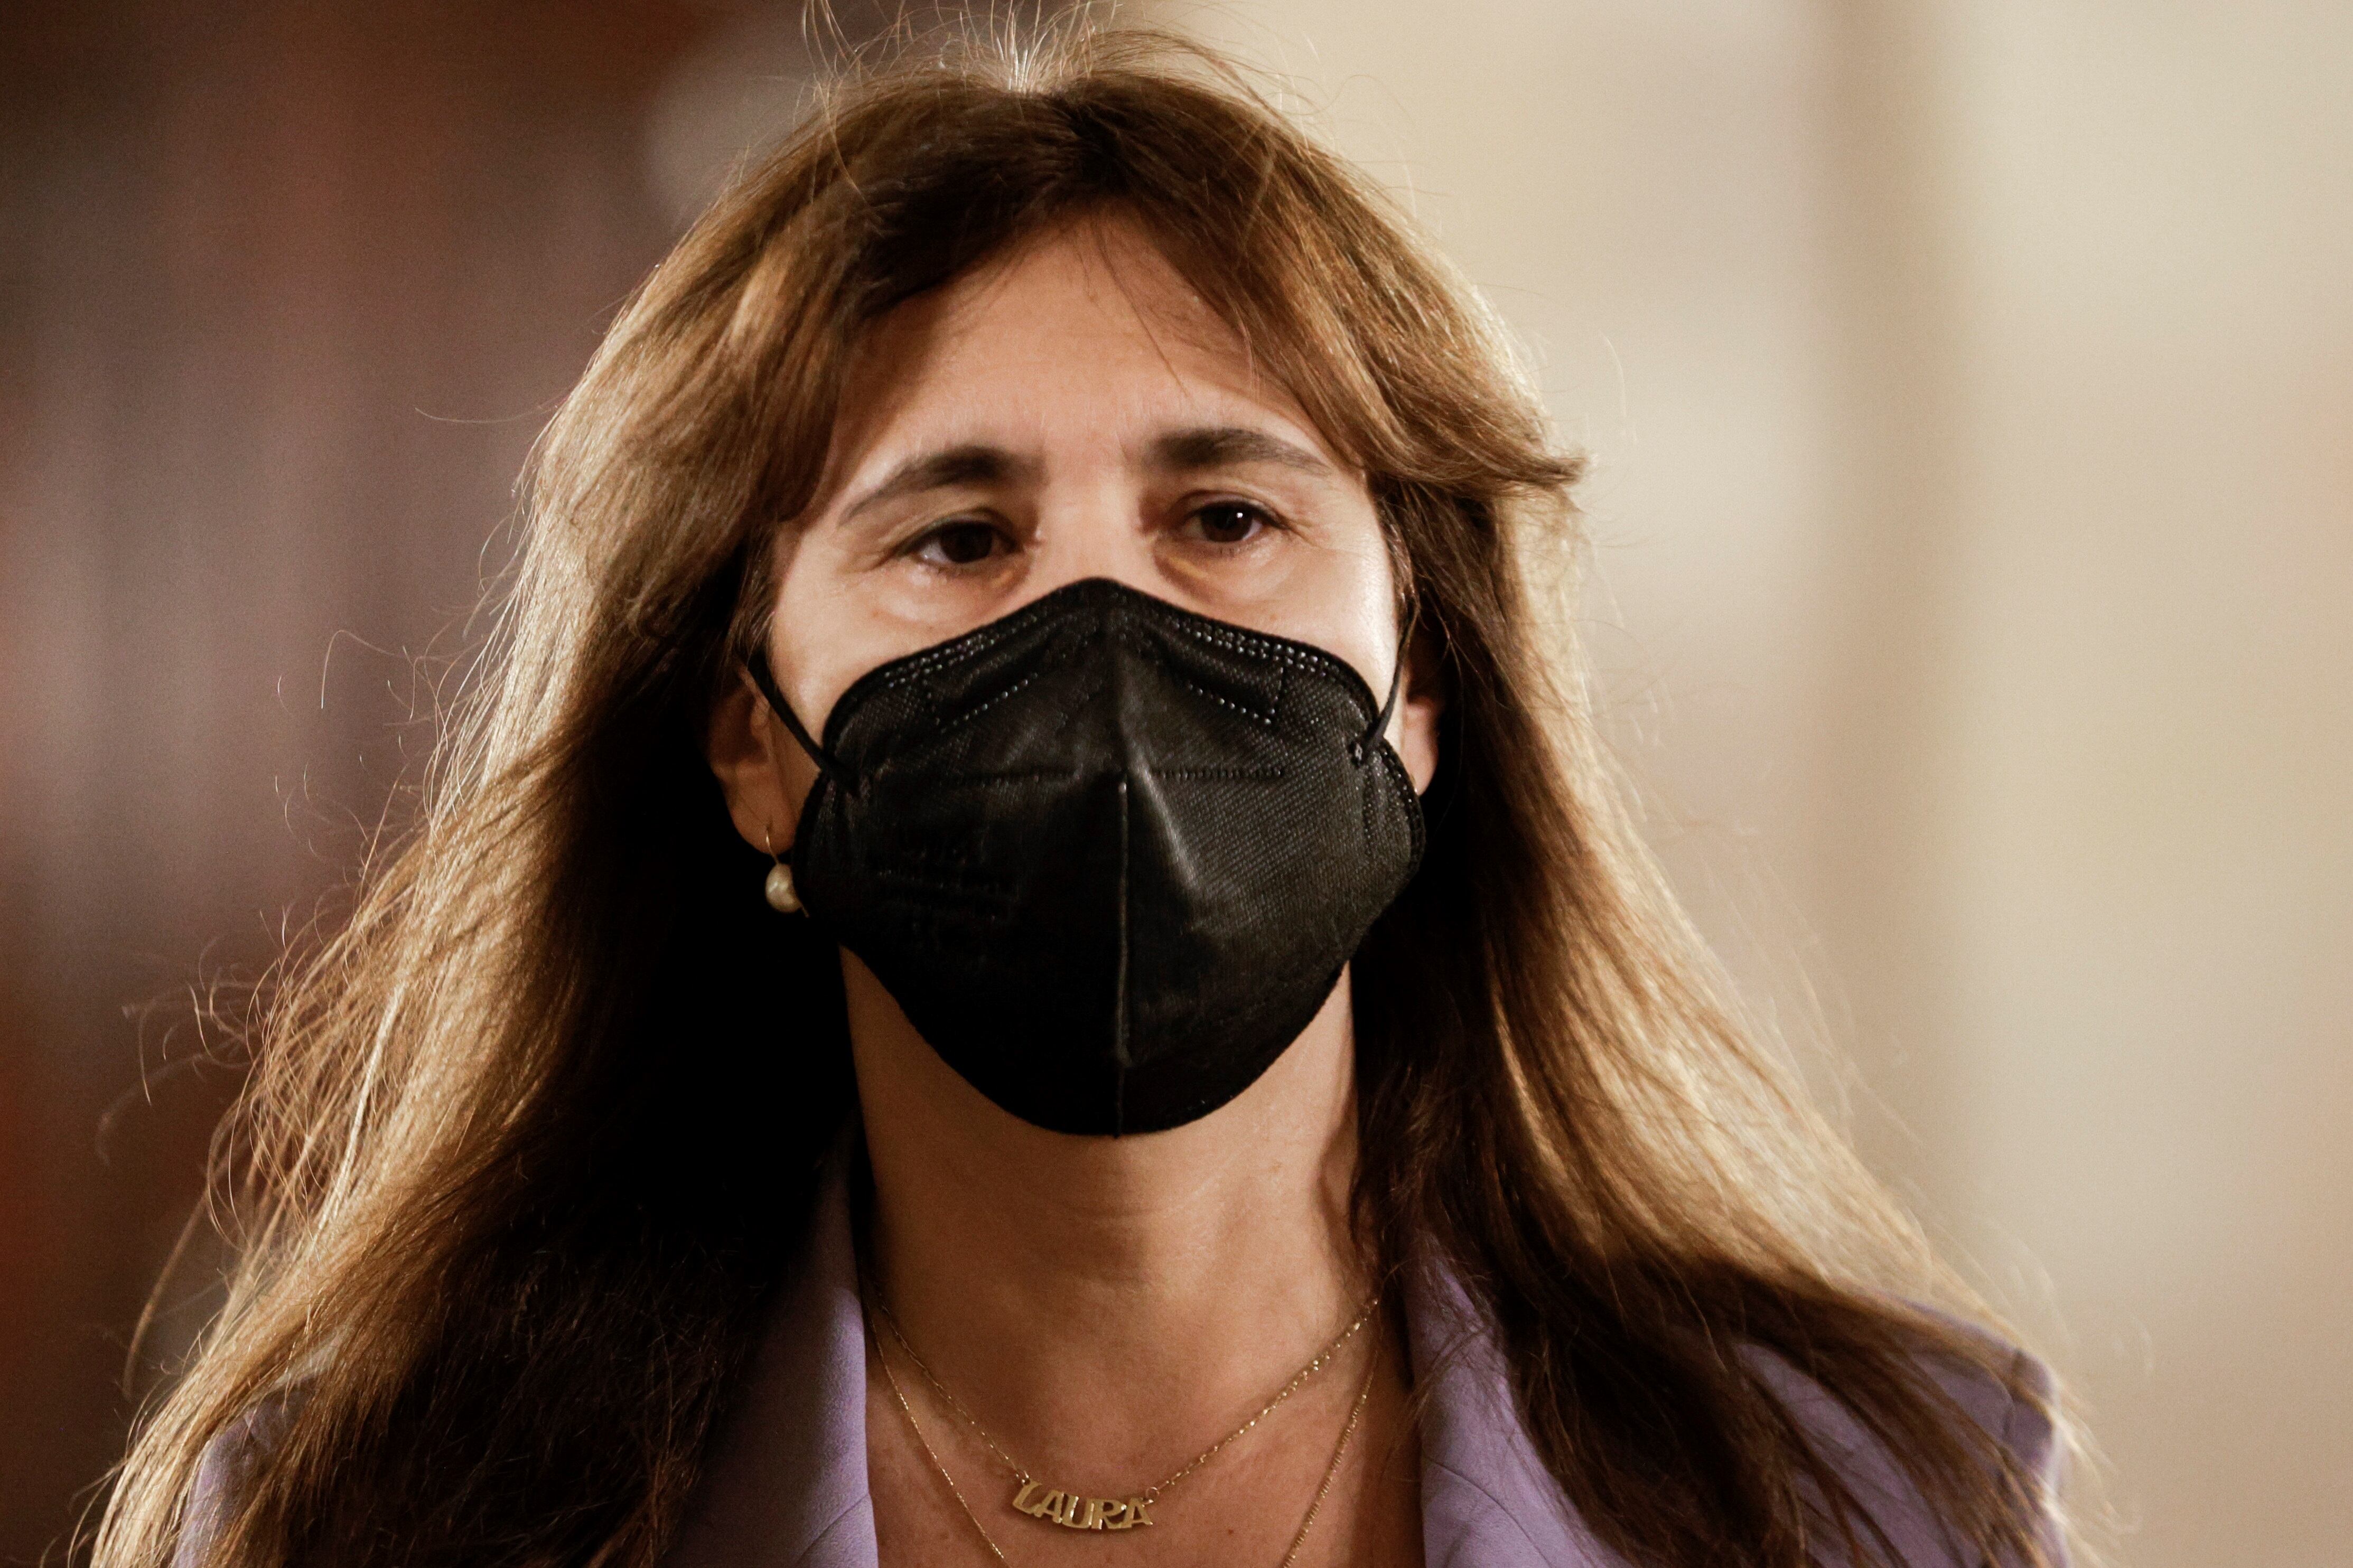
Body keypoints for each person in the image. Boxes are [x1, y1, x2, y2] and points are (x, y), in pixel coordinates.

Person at [97, 25, 2067, 1568]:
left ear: (1427, 694)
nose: (1106, 631)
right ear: (752, 743)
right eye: (958, 536)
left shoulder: (1876, 1495)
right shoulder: (370, 1517)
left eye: (1225, 516)